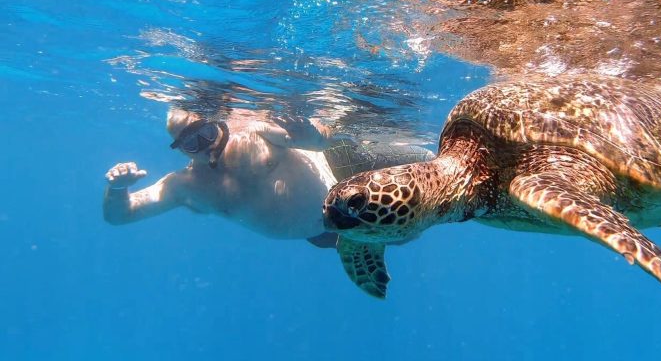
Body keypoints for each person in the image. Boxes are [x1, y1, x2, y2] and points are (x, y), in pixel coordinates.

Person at [103, 108, 434, 247]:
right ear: (182, 150)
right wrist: (117, 189)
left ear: (216, 122)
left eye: (205, 132)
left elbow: (319, 139)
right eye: (192, 143)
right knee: (411, 232)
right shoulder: (186, 186)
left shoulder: (255, 133)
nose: (206, 146)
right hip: (326, 234)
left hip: (343, 169)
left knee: (429, 165)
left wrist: (314, 135)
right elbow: (122, 215)